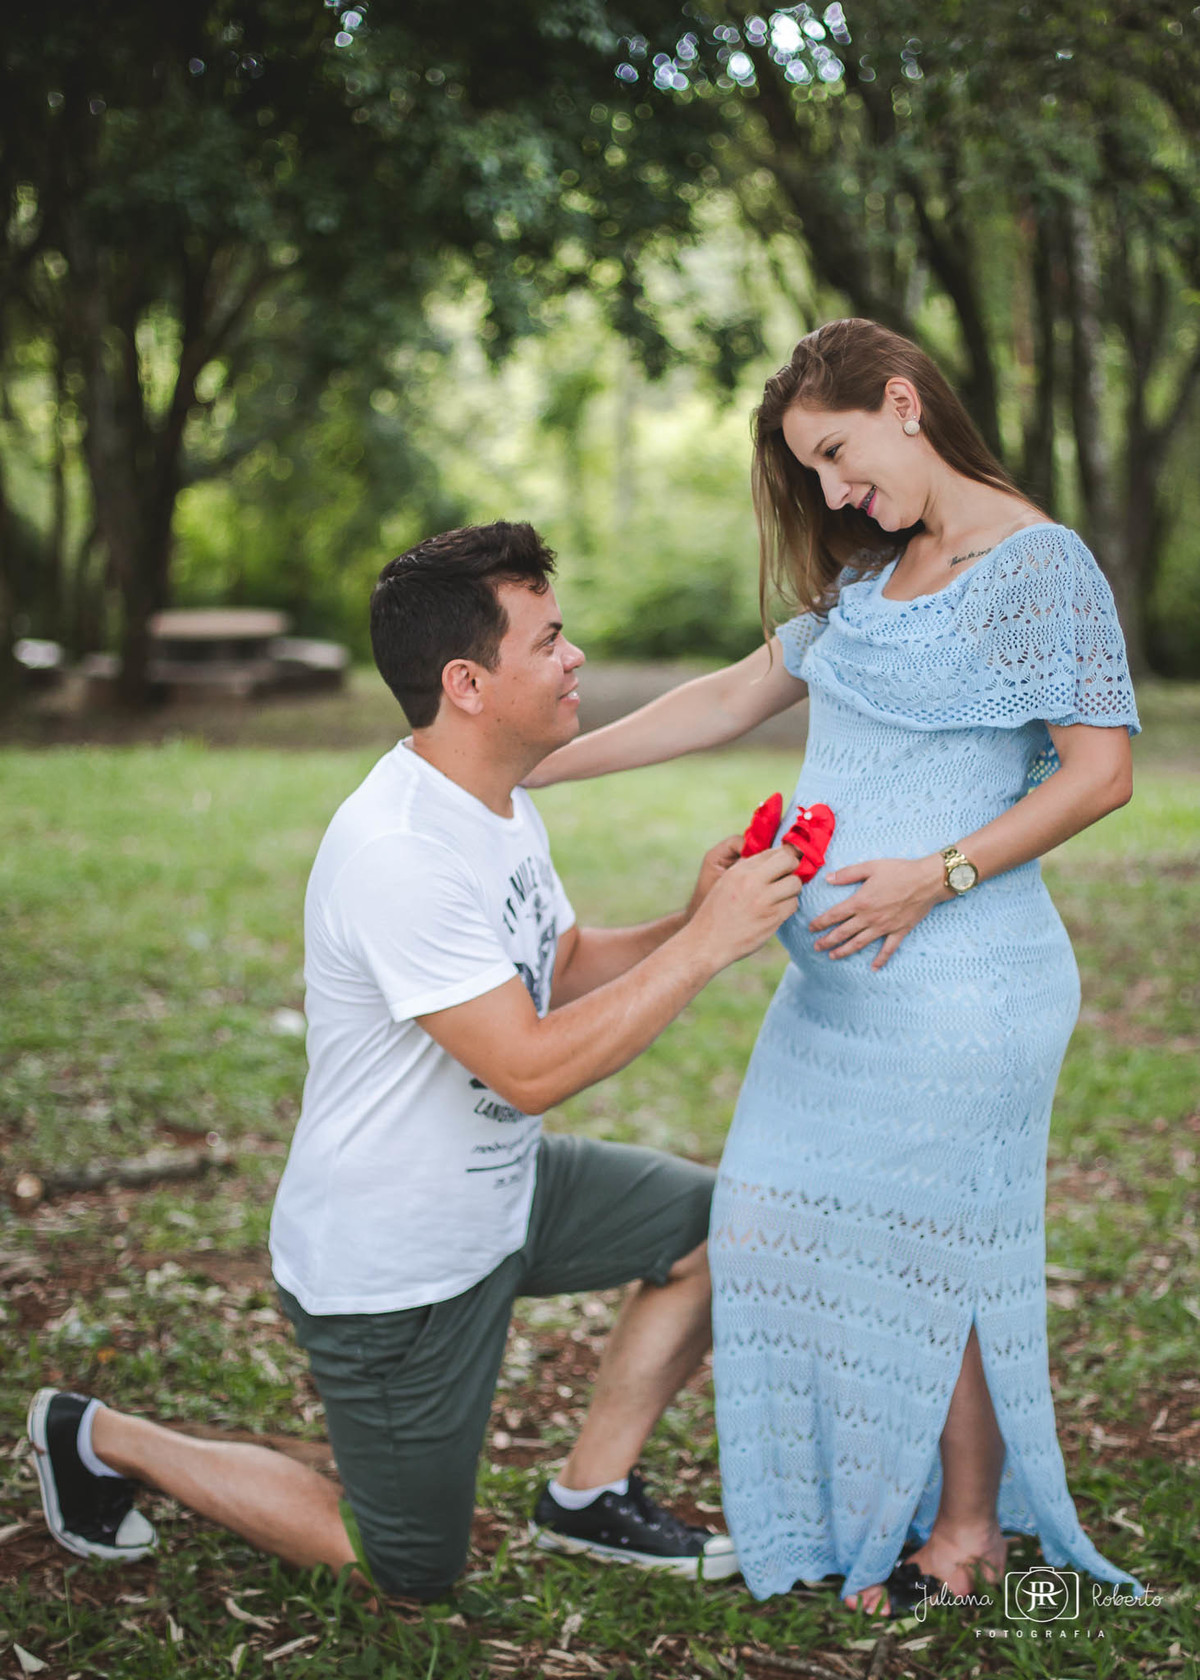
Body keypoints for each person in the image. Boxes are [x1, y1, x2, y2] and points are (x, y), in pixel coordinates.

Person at [27, 521, 805, 1601]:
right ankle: (100, 1435)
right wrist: (709, 948)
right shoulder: (401, 850)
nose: (575, 656)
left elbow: (557, 961)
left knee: (717, 1225)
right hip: (396, 1261)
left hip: (504, 1194)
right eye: (549, 641)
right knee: (404, 1564)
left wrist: (687, 918)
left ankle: (588, 1496)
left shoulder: (494, 800)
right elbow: (528, 1069)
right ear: (466, 684)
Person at [525, 319, 1145, 1615]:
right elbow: (726, 696)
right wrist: (525, 768)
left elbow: (1100, 774)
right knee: (766, 1216)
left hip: (964, 983)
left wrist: (937, 873)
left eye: (838, 453)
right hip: (832, 997)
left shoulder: (1039, 567)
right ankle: (876, 1493)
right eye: (812, 469)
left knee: (934, 1250)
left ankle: (965, 1537)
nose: (832, 489)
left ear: (904, 404)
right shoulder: (870, 576)